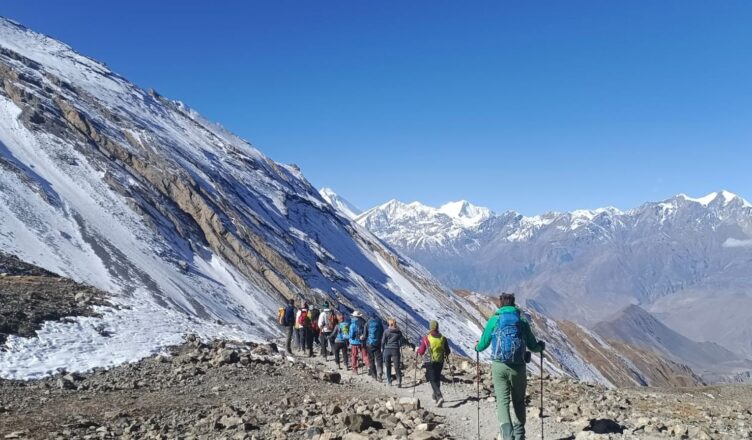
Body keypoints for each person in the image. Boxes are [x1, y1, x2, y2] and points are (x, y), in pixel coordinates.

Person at [475, 293, 545, 440]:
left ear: (500, 303)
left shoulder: (495, 320)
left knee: (502, 401)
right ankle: (519, 435)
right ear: (514, 304)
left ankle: (507, 436)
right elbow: (532, 345)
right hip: (518, 367)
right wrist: (540, 347)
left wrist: (477, 347)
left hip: (499, 366)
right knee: (518, 401)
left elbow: (483, 343)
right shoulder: (522, 321)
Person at [417, 320, 451, 407]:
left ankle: (439, 396)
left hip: (430, 361)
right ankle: (435, 396)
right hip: (440, 361)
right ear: (437, 327)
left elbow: (421, 351)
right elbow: (448, 351)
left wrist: (418, 351)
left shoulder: (426, 338)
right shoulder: (443, 338)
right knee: (437, 378)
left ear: (430, 327)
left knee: (432, 379)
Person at [381, 318, 405, 387]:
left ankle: (389, 381)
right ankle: (399, 381)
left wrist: (382, 348)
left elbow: (383, 341)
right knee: (397, 366)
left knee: (388, 366)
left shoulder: (386, 331)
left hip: (387, 350)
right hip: (395, 350)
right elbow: (401, 341)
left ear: (389, 324)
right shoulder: (399, 332)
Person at [364, 314, 385, 381]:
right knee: (379, 359)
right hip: (377, 344)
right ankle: (380, 373)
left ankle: (374, 375)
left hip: (369, 344)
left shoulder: (367, 323)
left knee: (371, 359)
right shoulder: (379, 323)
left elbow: (365, 335)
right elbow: (382, 333)